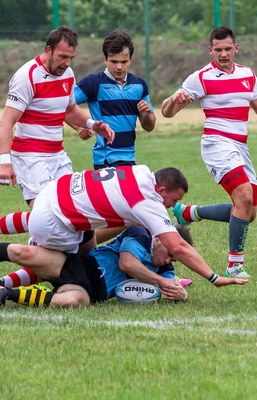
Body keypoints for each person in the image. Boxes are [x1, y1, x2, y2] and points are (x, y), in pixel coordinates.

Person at [0, 165, 247, 288]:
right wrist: (214, 277)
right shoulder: (147, 202)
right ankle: (2, 283)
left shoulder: (140, 172)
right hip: (57, 220)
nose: (167, 208)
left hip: (56, 192)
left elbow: (120, 219)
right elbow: (177, 245)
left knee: (88, 250)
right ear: (162, 191)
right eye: (169, 202)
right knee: (60, 267)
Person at [161, 27, 257, 280]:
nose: (223, 54)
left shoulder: (247, 75)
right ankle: (234, 264)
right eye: (218, 50)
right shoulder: (201, 77)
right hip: (217, 144)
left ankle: (189, 213)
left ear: (236, 48)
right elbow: (166, 112)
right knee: (244, 195)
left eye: (227, 49)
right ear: (211, 50)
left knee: (248, 211)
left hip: (240, 146)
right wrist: (176, 99)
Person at [0, 26, 114, 211]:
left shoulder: (67, 74)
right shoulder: (27, 76)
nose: (67, 63)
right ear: (48, 50)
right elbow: (6, 123)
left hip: (57, 155)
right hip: (30, 156)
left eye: (71, 58)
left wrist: (92, 125)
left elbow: (69, 109)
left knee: (76, 211)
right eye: (62, 57)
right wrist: (5, 163)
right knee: (46, 213)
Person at [0, 225, 197, 309]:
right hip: (78, 264)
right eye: (172, 254)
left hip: (91, 290)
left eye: (174, 262)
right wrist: (161, 281)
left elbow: (172, 287)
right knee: (20, 251)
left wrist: (180, 293)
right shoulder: (140, 234)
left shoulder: (163, 270)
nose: (169, 262)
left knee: (70, 301)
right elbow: (127, 263)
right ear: (163, 239)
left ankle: (4, 293)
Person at [66, 30, 156, 245]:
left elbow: (149, 126)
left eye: (123, 61)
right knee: (132, 216)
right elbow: (64, 106)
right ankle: (79, 245)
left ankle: (86, 246)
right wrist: (79, 127)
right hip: (106, 161)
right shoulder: (93, 83)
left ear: (130, 59)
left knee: (129, 216)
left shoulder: (139, 85)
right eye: (113, 61)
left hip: (129, 160)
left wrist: (147, 114)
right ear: (105, 59)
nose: (118, 66)